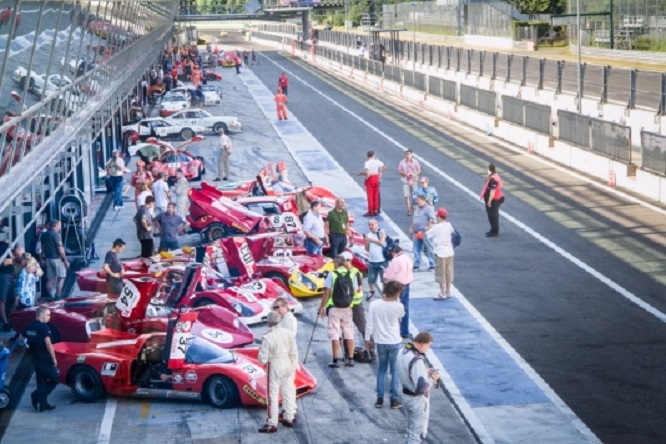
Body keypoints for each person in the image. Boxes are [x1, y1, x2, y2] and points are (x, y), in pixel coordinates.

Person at [366, 280, 405, 410]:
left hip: (380, 342)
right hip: (394, 341)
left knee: (381, 370)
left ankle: (380, 399)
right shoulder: (399, 306)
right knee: (394, 371)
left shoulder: (374, 304)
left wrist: (367, 339)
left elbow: (369, 324)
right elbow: (401, 315)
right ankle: (394, 400)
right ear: (396, 293)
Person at [257, 311, 298, 433]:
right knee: (288, 392)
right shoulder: (288, 333)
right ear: (279, 321)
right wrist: (293, 366)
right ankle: (289, 417)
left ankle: (272, 423)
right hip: (288, 363)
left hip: (274, 365)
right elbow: (294, 352)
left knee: (272, 395)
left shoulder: (267, 337)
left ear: (268, 323)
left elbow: (262, 359)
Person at [397, 332, 439, 444]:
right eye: (428, 346)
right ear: (422, 344)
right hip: (416, 400)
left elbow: (408, 372)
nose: (427, 349)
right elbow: (421, 388)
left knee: (409, 430)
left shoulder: (402, 351)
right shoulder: (417, 361)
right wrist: (433, 379)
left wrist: (424, 372)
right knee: (415, 435)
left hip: (405, 396)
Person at [318, 255, 358, 368]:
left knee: (335, 334)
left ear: (336, 263)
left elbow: (327, 292)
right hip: (347, 307)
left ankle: (335, 360)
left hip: (334, 307)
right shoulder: (351, 273)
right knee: (349, 332)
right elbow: (354, 290)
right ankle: (350, 359)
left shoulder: (332, 274)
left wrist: (322, 307)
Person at [20, 306, 59, 412]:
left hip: (35, 359)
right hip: (45, 358)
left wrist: (29, 344)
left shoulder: (29, 326)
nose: (49, 317)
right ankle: (37, 395)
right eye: (48, 315)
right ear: (41, 315)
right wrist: (54, 358)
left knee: (41, 381)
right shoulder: (44, 328)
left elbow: (21, 338)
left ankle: (43, 404)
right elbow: (48, 344)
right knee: (55, 379)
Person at [384, 245, 413, 339]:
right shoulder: (408, 258)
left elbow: (389, 276)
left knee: (393, 308)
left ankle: (394, 330)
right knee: (405, 309)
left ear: (393, 253)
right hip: (407, 284)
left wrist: (385, 274)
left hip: (396, 286)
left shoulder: (395, 260)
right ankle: (404, 331)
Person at [426, 208, 455, 300]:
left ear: (439, 217)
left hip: (440, 252)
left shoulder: (436, 227)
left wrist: (430, 226)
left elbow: (428, 235)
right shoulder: (449, 225)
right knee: (448, 272)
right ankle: (448, 291)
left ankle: (442, 293)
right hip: (449, 252)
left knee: (440, 274)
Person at [40, 220, 69, 301]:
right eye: (59, 225)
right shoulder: (56, 235)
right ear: (56, 225)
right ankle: (57, 296)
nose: (60, 227)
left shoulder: (43, 235)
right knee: (61, 277)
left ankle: (50, 296)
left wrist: (42, 259)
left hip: (48, 259)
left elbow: (42, 249)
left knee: (50, 279)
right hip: (57, 259)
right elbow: (60, 250)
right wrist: (66, 261)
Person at [410, 195, 436, 271]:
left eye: (418, 200)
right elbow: (414, 219)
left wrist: (427, 229)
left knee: (430, 248)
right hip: (416, 231)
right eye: (417, 200)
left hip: (425, 232)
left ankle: (432, 264)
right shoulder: (416, 208)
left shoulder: (428, 209)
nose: (417, 202)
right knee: (416, 249)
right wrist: (411, 227)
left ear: (423, 200)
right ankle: (416, 264)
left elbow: (432, 220)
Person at [360, 151, 387, 217]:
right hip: (376, 178)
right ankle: (375, 210)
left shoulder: (367, 163)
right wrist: (380, 172)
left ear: (368, 156)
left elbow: (367, 173)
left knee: (370, 196)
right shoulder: (377, 162)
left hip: (371, 178)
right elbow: (385, 167)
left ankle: (370, 211)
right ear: (373, 155)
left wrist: (361, 174)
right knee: (375, 195)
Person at [364, 219, 386, 300]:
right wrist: (366, 242)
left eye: (372, 225)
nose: (370, 227)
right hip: (372, 260)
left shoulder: (381, 231)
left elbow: (381, 242)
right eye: (369, 225)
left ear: (377, 224)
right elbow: (367, 249)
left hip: (382, 260)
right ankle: (371, 290)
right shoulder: (368, 234)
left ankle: (385, 293)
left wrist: (370, 240)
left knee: (383, 279)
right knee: (370, 279)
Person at [480, 163, 504, 237]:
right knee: (493, 215)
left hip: (494, 200)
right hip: (498, 197)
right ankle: (493, 229)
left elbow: (492, 191)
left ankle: (495, 231)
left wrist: (489, 201)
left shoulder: (493, 179)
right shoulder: (495, 176)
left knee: (492, 215)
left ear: (489, 170)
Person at [398, 150, 421, 215]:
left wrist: (414, 175)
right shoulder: (402, 162)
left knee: (415, 196)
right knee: (406, 195)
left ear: (412, 155)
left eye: (409, 154)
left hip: (414, 181)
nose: (408, 156)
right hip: (406, 181)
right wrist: (405, 174)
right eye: (407, 154)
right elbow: (399, 171)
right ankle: (409, 209)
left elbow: (419, 170)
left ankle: (413, 207)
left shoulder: (415, 162)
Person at [135, 196, 155, 265]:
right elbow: (143, 220)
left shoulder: (140, 209)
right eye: (153, 203)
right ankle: (147, 266)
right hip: (146, 236)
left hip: (141, 235)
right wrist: (147, 228)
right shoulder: (145, 210)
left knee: (144, 252)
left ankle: (143, 265)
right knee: (147, 254)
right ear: (151, 202)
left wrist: (139, 227)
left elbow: (135, 219)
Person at [0, 242, 14, 331]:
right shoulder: (2, 246)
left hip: (10, 275)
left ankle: (9, 318)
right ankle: (4, 321)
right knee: (2, 299)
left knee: (12, 297)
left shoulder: (8, 245)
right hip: (3, 275)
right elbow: (4, 262)